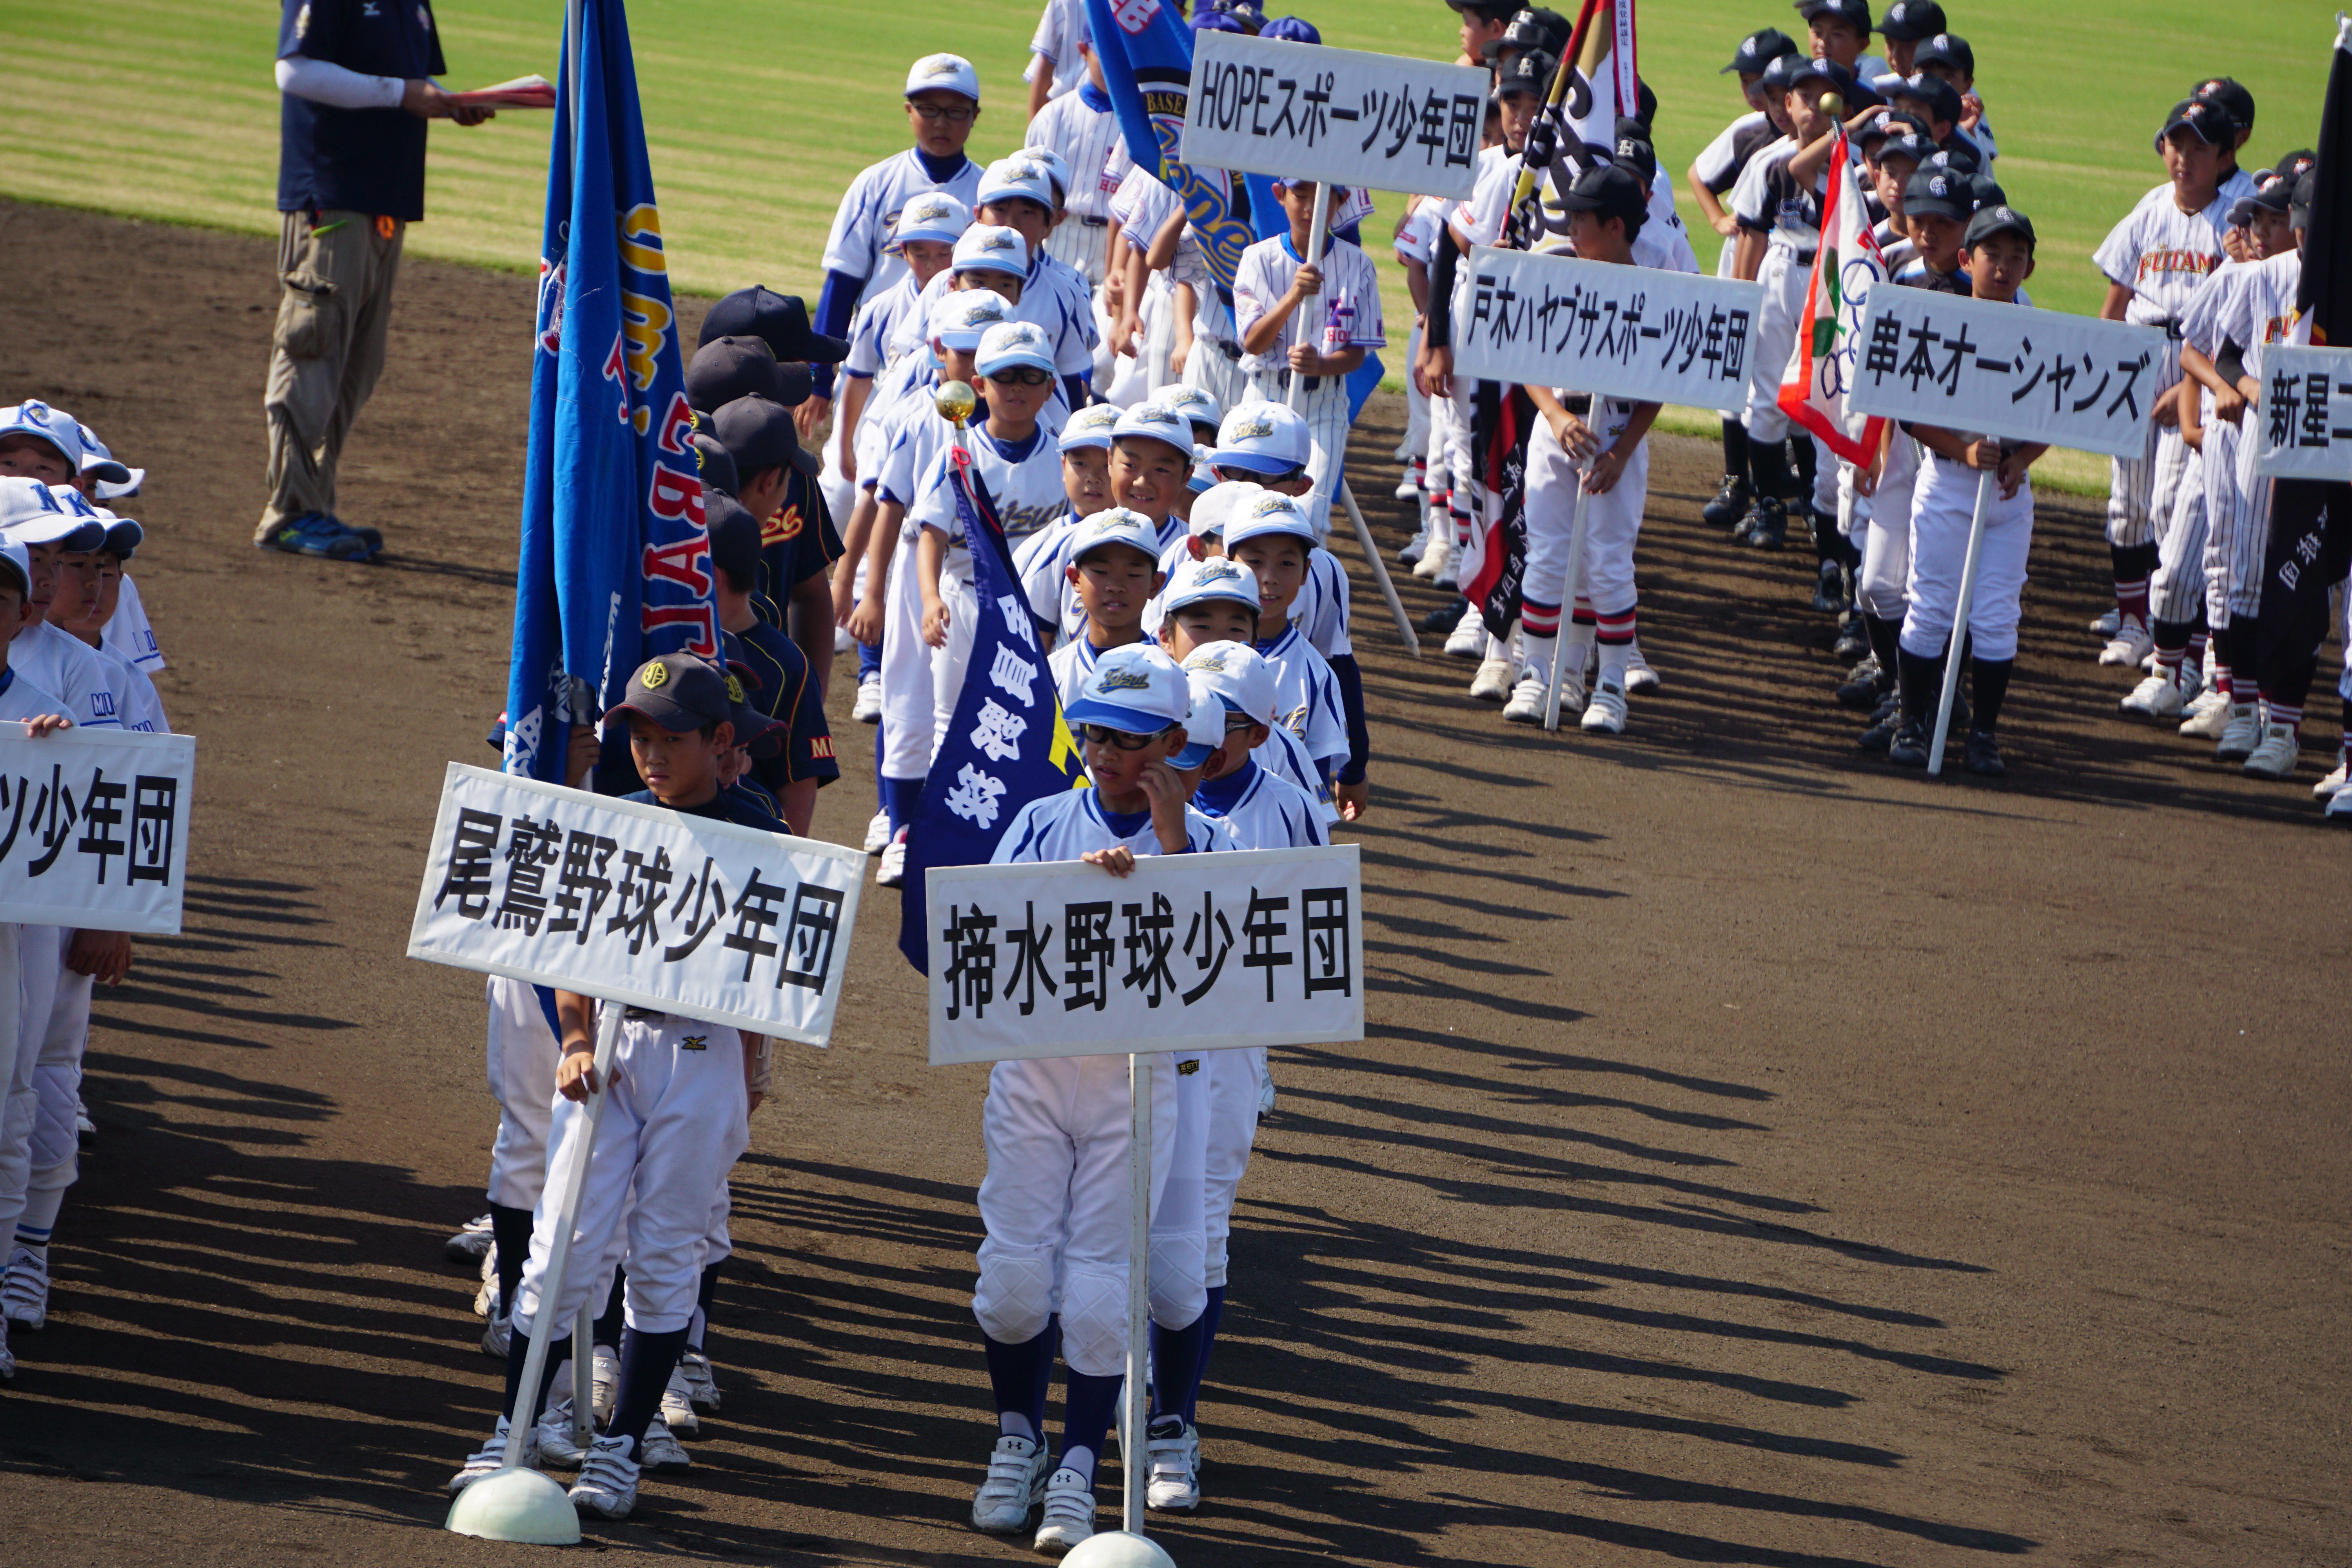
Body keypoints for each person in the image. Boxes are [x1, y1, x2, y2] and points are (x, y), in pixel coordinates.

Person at [446, 654, 785, 1519]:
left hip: (703, 1055)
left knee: (667, 1257)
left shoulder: (758, 832)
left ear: (719, 740)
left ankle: (623, 1445)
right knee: (562, 1244)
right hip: (612, 1049)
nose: (651, 752)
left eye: (671, 736)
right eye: (639, 734)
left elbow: (773, 976)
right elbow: (574, 954)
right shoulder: (617, 822)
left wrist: (749, 1072)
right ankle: (512, 1428)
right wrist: (572, 1036)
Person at [966, 644, 1225, 1555]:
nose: (1112, 753)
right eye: (1094, 733)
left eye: (1134, 737)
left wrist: (1171, 852)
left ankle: (1077, 1467)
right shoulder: (1038, 822)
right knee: (1011, 1284)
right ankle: (1016, 1440)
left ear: (1174, 740)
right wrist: (1071, 888)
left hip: (1139, 1084)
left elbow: (1224, 978)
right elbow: (985, 951)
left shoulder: (1212, 843)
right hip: (1034, 1076)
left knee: (1103, 1290)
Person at [261, 0, 494, 559]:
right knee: (314, 351)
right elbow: (294, 69)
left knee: (357, 363)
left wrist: (446, 100)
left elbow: (411, 80)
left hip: (385, 200)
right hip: (333, 199)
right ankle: (288, 513)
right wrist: (402, 95)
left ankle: (316, 504)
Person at [1886, 205, 2047, 777]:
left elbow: (2058, 416)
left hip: (2007, 499)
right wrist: (1965, 452)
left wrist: (2022, 461)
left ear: (2029, 267)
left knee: (1999, 618)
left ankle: (1984, 735)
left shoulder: (2041, 335)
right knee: (1930, 609)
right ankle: (1912, 723)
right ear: (1966, 260)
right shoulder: (1940, 323)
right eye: (1992, 256)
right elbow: (1909, 417)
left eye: (2015, 258)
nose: (2003, 268)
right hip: (1948, 486)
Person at [2088, 97, 2237, 673]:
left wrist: (2193, 388)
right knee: (2127, 504)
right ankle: (2133, 626)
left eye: (2200, 148)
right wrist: (2102, 364)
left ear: (2224, 157)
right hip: (2137, 357)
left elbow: (2236, 330)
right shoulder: (2148, 210)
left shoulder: (2233, 224)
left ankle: (2188, 642)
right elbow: (2116, 298)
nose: (2185, 158)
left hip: (2196, 371)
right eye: (2178, 144)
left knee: (2174, 508)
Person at [806, 54, 987, 463]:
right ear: (909, 111)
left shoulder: (988, 194)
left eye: (956, 111)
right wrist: (820, 378)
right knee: (849, 474)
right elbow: (841, 283)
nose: (941, 122)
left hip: (959, 362)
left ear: (975, 116)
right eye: (928, 109)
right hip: (875, 356)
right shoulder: (875, 184)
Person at [0, 530, 75, 1382]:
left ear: (25, 612)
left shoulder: (42, 715)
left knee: (9, 1114)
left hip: (10, 944)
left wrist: (55, 759)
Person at [1232, 179, 1384, 534]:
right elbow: (1253, 342)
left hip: (1325, 404)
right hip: (1265, 395)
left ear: (1342, 200)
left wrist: (1323, 364)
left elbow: (1356, 353)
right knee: (1250, 511)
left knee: (1310, 518)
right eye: (1300, 196)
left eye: (1322, 199)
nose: (1309, 209)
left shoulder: (1358, 264)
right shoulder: (1258, 258)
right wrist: (1293, 297)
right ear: (1279, 195)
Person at [1046, 508, 1167, 706]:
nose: (1116, 586)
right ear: (1075, 579)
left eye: (1133, 574)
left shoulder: (1173, 676)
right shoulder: (1050, 676)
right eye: (1101, 572)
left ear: (1155, 585)